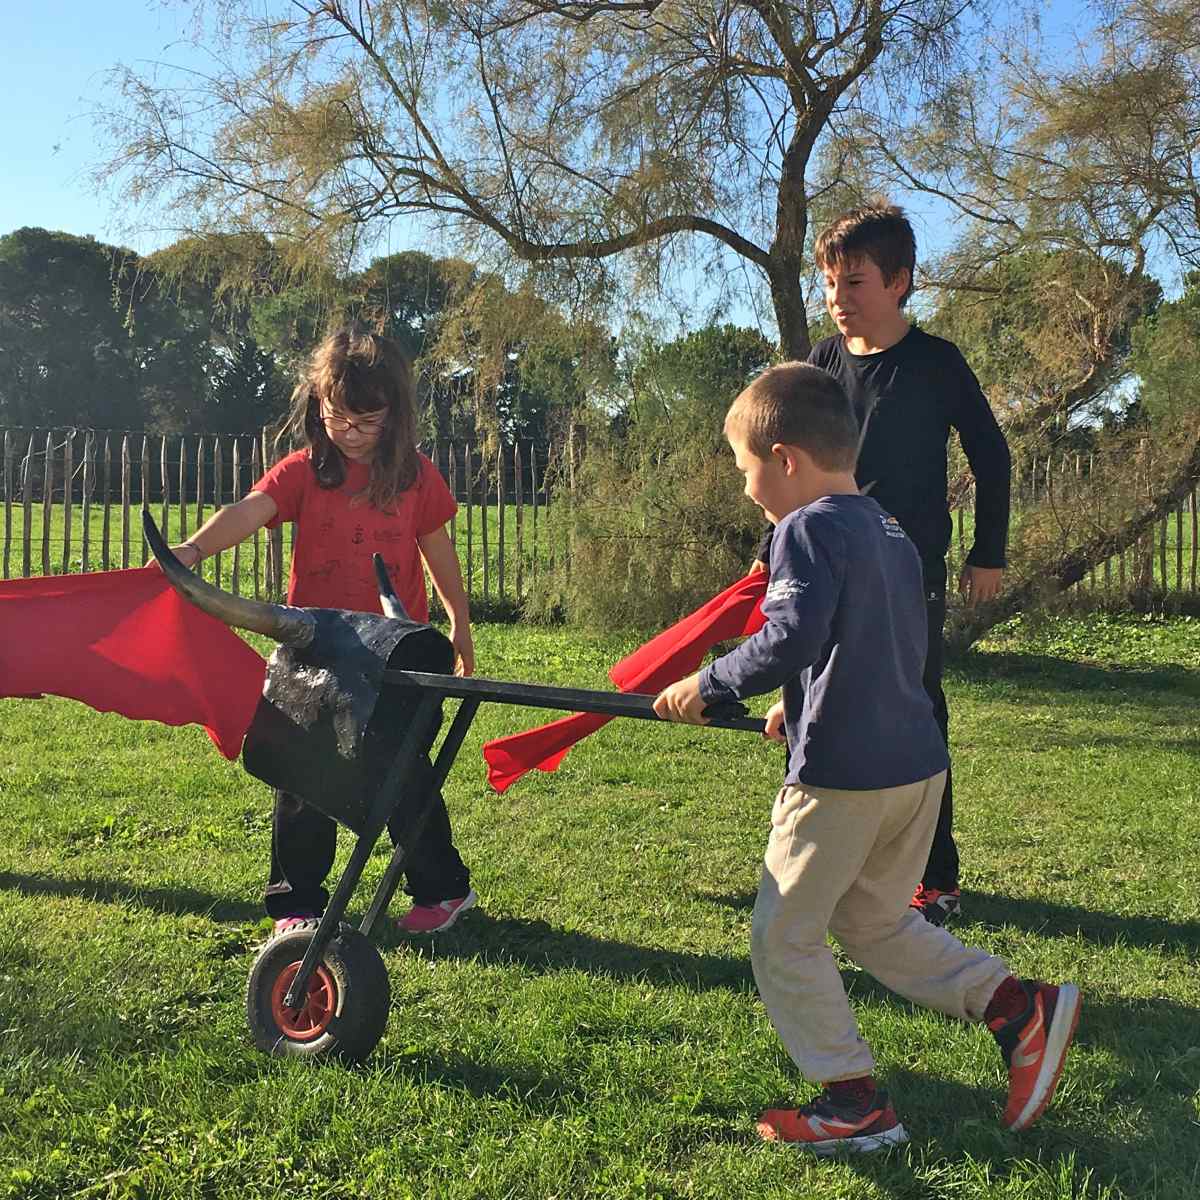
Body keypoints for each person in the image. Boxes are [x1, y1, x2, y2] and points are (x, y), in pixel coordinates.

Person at [655, 363, 1077, 1154]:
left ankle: (850, 1099)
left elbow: (789, 635)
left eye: (746, 471)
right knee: (873, 921)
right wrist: (800, 698)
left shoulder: (803, 527)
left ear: (784, 459)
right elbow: (881, 643)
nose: (747, 491)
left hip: (843, 779)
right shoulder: (887, 529)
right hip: (916, 768)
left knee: (784, 937)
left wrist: (709, 684)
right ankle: (1018, 1007)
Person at [753, 201, 1011, 926]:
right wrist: (770, 544)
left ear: (901, 282)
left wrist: (986, 553)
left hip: (907, 574)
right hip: (828, 568)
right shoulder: (823, 367)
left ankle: (934, 874)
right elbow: (786, 458)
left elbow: (992, 457)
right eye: (830, 284)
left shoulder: (936, 364)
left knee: (914, 710)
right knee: (810, 700)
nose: (838, 300)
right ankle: (813, 857)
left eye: (855, 283)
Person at [170, 328, 477, 936]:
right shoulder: (303, 473)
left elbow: (438, 551)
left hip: (397, 654)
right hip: (314, 655)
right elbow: (250, 509)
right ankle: (297, 903)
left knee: (401, 770)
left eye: (367, 420)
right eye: (338, 417)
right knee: (299, 773)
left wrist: (458, 624)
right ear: (317, 404)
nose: (351, 432)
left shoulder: (417, 477)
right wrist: (193, 549)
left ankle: (442, 890)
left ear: (395, 414)